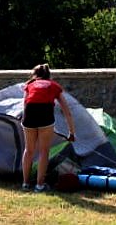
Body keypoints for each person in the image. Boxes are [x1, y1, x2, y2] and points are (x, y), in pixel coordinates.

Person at [20, 64, 76, 192]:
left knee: (29, 150)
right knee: (44, 151)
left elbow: (25, 105)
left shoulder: (29, 85)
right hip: (45, 116)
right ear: (48, 75)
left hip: (29, 116)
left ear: (35, 74)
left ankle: (25, 184)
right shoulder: (54, 86)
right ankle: (39, 186)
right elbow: (67, 111)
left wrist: (25, 121)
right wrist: (71, 132)